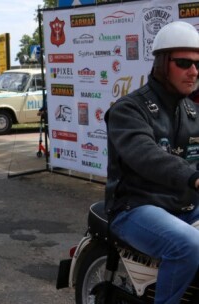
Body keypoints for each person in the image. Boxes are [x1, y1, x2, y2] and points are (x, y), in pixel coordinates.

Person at [105, 21, 199, 304]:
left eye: (197, 63)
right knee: (189, 246)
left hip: (183, 205)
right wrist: (192, 177)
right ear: (161, 64)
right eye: (184, 63)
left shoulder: (191, 110)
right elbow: (145, 155)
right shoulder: (128, 109)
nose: (193, 71)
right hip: (136, 206)